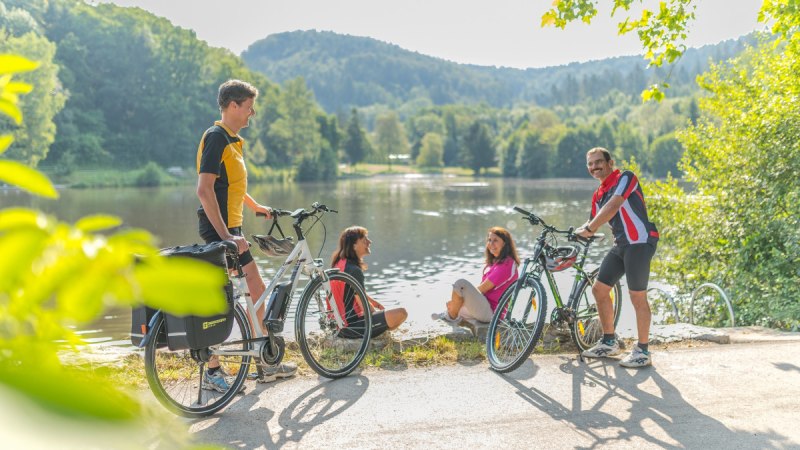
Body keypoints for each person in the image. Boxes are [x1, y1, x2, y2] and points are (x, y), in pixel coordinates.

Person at [196, 79, 296, 391]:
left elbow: (232, 186)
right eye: (249, 107)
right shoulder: (216, 138)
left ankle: (265, 360)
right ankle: (214, 370)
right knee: (222, 299)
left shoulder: (232, 141)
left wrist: (254, 206)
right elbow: (204, 190)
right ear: (234, 105)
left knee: (255, 289)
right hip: (219, 230)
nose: (252, 113)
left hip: (232, 228)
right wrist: (226, 235)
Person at [575, 147, 659, 368]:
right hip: (621, 245)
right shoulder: (598, 195)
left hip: (639, 243)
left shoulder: (625, 177)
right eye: (590, 164)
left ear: (610, 162)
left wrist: (590, 228)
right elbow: (591, 225)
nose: (594, 167)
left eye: (598, 162)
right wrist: (574, 240)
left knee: (637, 296)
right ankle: (609, 342)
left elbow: (614, 205)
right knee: (599, 290)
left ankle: (642, 351)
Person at [330, 226, 408, 337]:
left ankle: (379, 330)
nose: (369, 242)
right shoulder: (354, 270)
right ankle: (378, 334)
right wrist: (377, 318)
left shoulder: (340, 263)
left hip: (337, 325)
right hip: (350, 328)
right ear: (354, 246)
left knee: (388, 315)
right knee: (401, 313)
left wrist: (373, 302)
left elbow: (353, 293)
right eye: (364, 240)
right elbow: (364, 307)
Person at [433, 227, 520, 324]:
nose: (491, 244)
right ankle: (450, 313)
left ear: (505, 244)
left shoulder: (507, 264)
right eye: (489, 240)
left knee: (461, 284)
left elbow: (482, 289)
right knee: (457, 304)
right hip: (485, 306)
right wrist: (459, 301)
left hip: (493, 313)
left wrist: (459, 300)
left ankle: (451, 316)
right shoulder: (497, 263)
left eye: (495, 240)